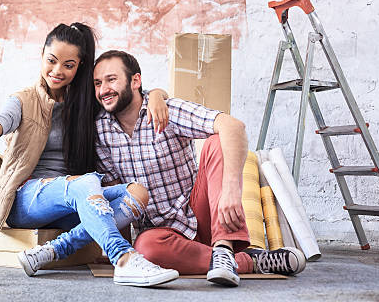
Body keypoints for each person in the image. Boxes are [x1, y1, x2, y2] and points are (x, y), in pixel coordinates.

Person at [0, 24, 179, 287]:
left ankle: (49, 251)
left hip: (72, 201)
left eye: (68, 65)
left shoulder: (83, 104)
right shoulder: (23, 100)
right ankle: (123, 259)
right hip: (25, 200)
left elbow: (125, 94)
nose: (58, 71)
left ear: (79, 67)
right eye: (52, 61)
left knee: (137, 193)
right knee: (85, 182)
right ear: (42, 55)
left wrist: (158, 95)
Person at [92, 50, 307, 287]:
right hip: (163, 237)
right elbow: (116, 195)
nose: (103, 90)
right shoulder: (101, 132)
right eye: (98, 83)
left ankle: (224, 248)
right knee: (146, 248)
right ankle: (249, 262)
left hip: (202, 214)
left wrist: (230, 191)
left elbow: (233, 127)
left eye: (111, 80)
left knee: (217, 140)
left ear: (135, 81)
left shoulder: (166, 110)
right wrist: (121, 254)